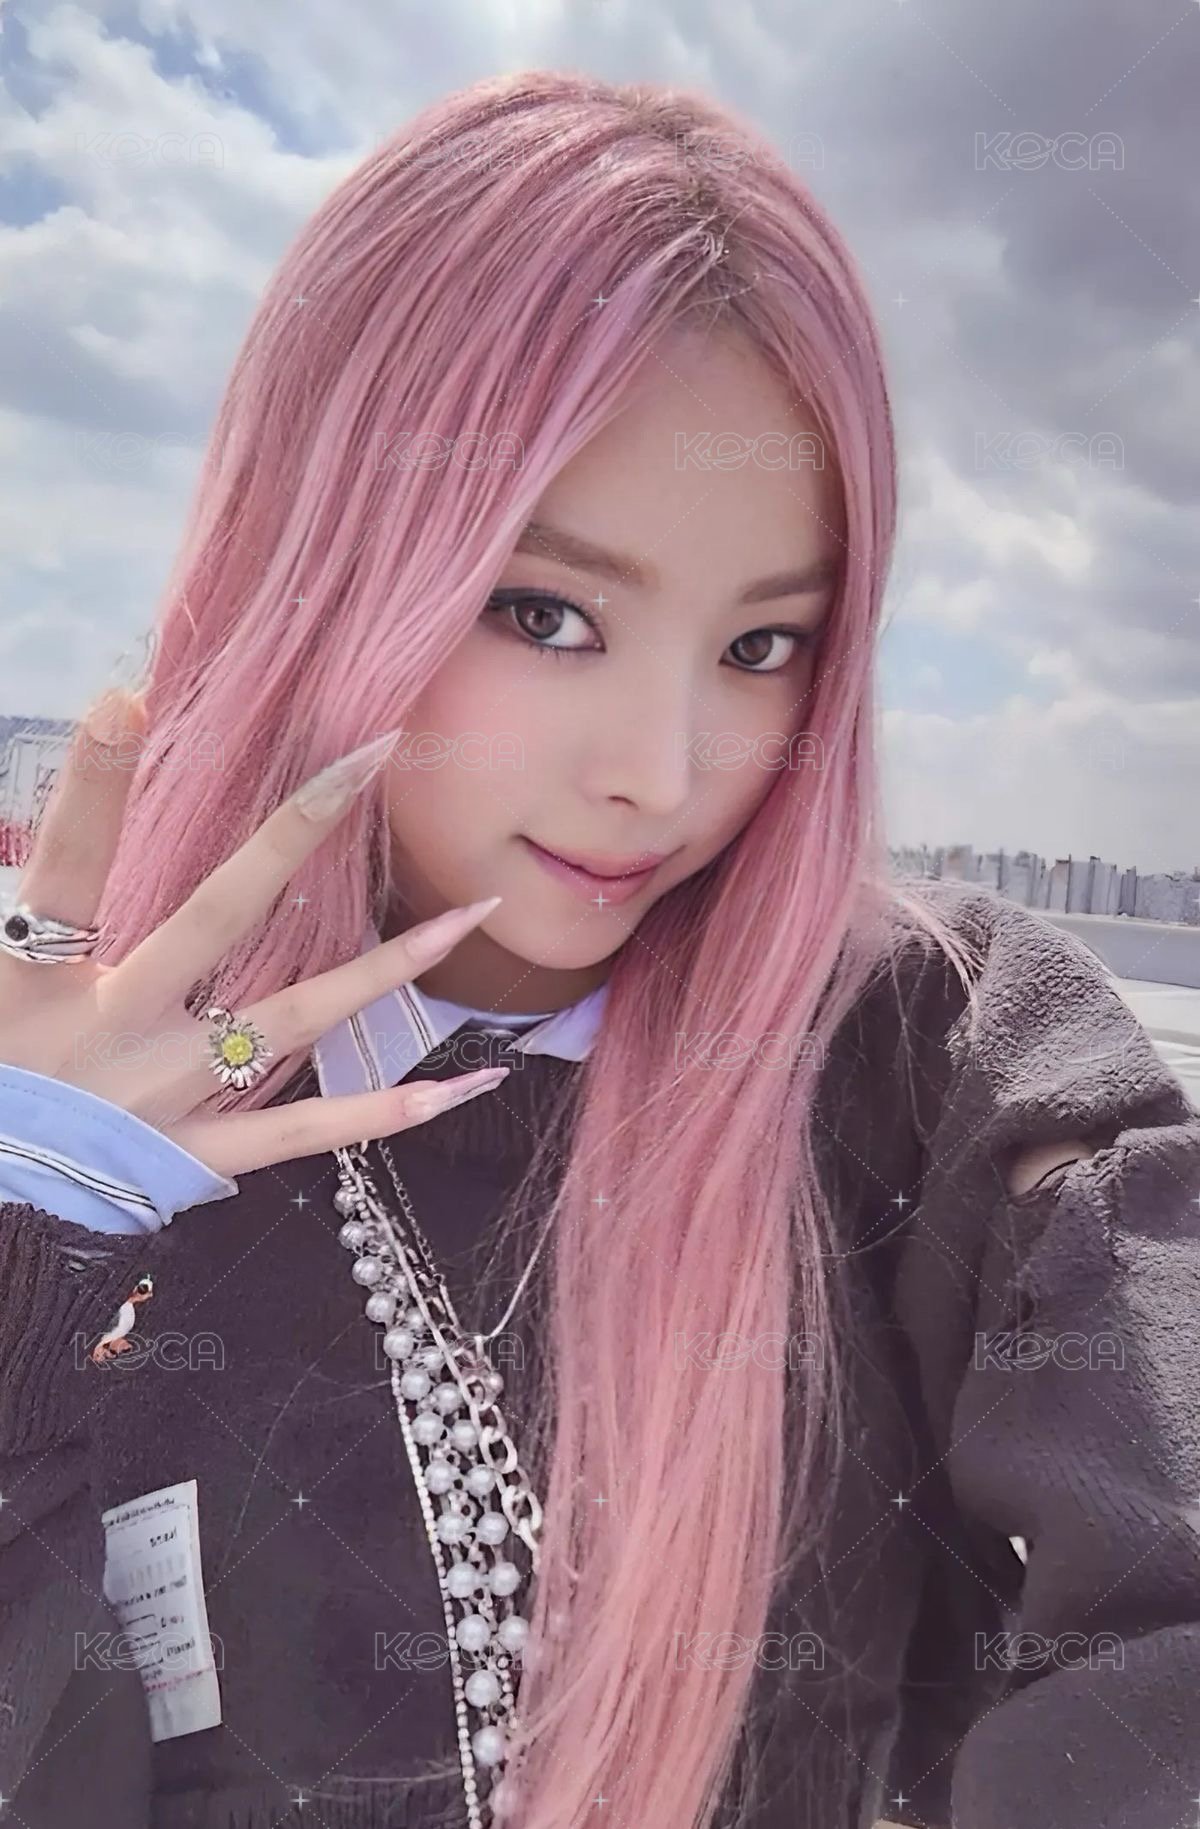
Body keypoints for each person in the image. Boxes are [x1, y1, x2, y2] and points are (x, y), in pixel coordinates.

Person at [1, 67, 1198, 1829]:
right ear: (318, 559)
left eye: (762, 646)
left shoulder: (930, 1057)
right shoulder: (70, 1114)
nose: (664, 770)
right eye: (544, 612)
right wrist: (32, 1247)